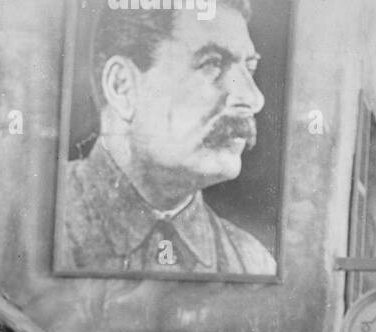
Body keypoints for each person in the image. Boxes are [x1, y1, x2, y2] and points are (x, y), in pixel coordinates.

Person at [59, 1, 275, 274]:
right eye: (213, 64)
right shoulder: (28, 224)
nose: (253, 98)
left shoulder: (253, 264)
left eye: (250, 68)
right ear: (121, 86)